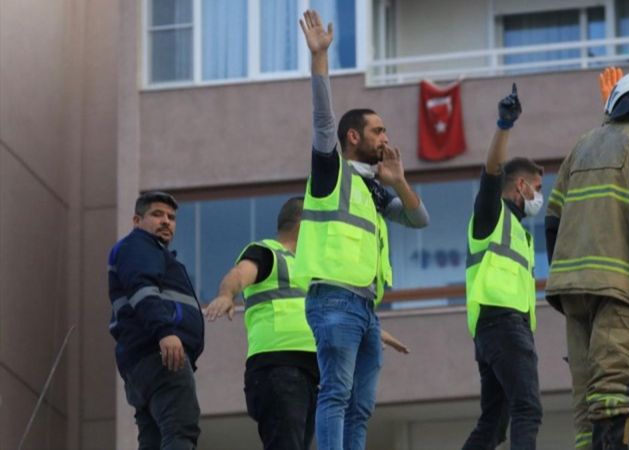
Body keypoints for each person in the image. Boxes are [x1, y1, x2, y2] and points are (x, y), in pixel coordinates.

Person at [294, 10, 429, 450]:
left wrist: (398, 181)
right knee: (335, 394)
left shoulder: (374, 190)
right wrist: (319, 59)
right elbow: (321, 120)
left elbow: (418, 219)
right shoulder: (332, 171)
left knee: (361, 406)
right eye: (378, 130)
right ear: (353, 136)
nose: (385, 138)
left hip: (366, 310)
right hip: (333, 299)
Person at [204, 197, 411, 450]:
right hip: (278, 367)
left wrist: (372, 331)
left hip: (311, 372)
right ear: (304, 223)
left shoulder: (313, 271)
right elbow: (238, 275)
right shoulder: (268, 252)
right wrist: (226, 294)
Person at [545, 66, 629, 449]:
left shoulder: (582, 145)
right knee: (615, 393)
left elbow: (553, 222)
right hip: (623, 291)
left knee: (587, 408)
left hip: (573, 292)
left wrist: (570, 276)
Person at [462, 84, 543, 450]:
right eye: (537, 188)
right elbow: (492, 171)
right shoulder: (492, 215)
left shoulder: (521, 233)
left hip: (499, 329)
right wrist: (504, 125)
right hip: (503, 325)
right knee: (528, 407)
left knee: (494, 424)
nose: (539, 197)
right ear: (521, 186)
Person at [108, 191, 204, 450]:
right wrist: (165, 332)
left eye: (171, 217)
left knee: (154, 440)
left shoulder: (148, 252)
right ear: (137, 221)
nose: (166, 221)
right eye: (157, 214)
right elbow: (143, 290)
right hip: (161, 356)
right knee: (180, 428)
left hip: (143, 361)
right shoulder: (140, 246)